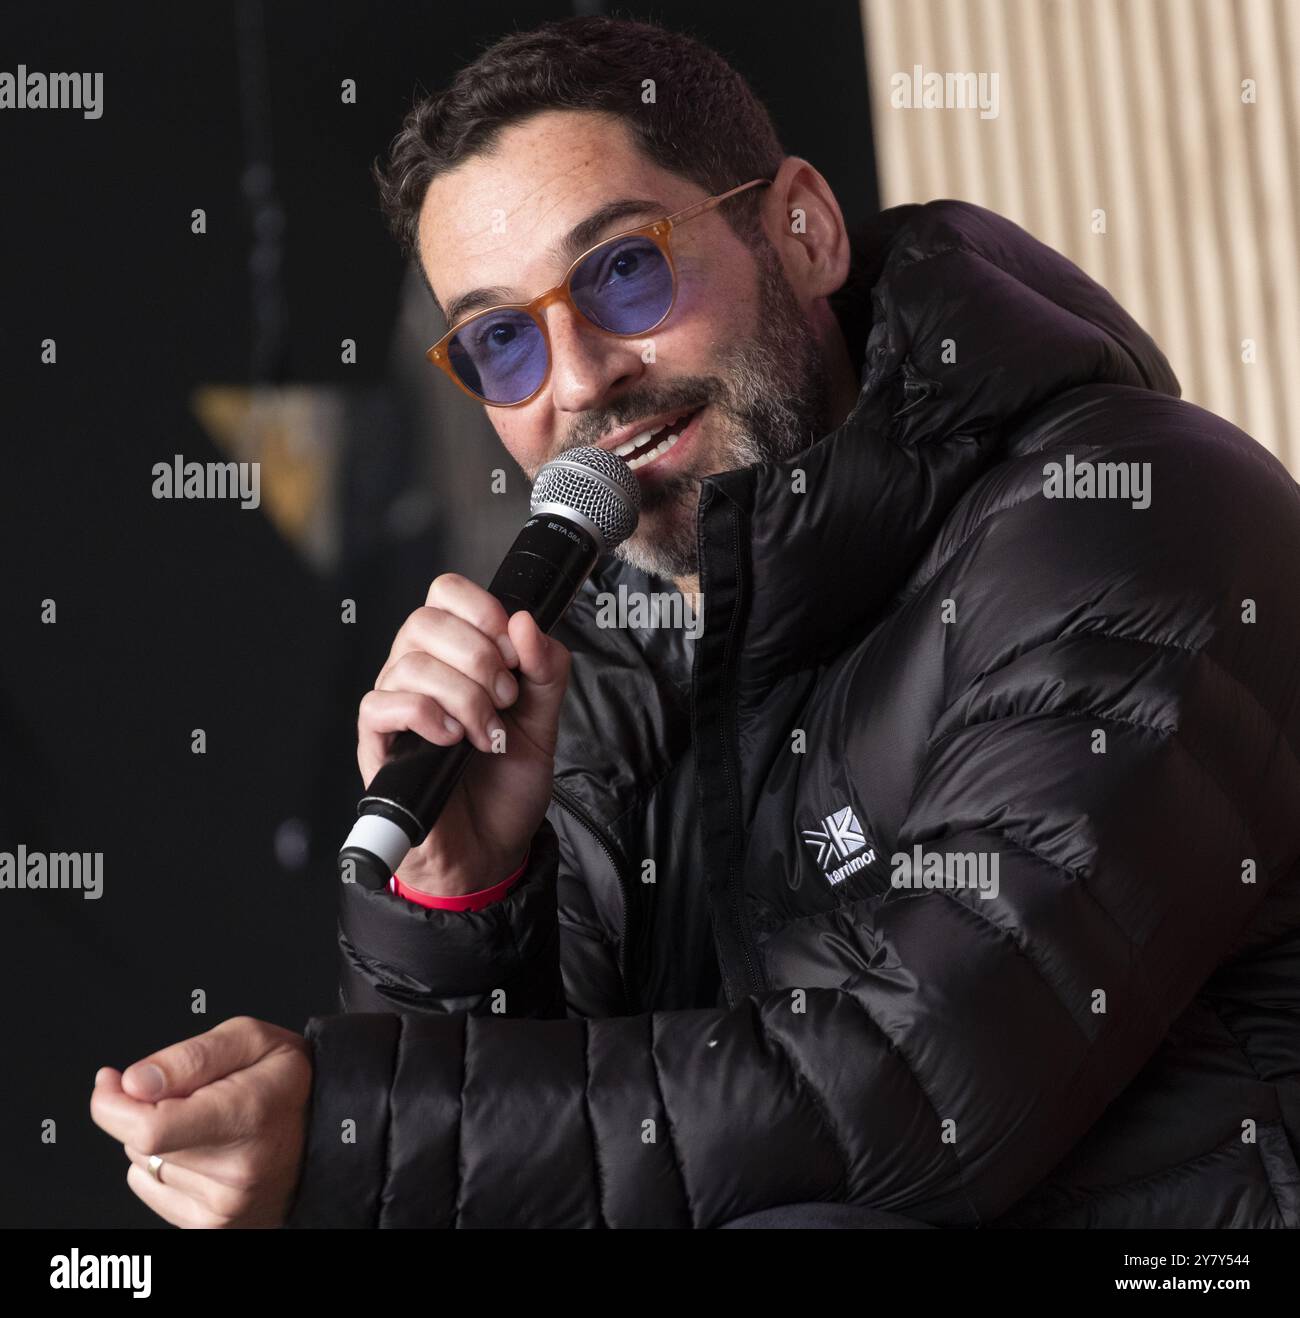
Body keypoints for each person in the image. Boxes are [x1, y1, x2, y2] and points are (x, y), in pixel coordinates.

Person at [90, 15, 1300, 1230]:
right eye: (503, 340)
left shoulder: (1122, 518)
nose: (577, 380)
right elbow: (549, 1169)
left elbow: (917, 1090)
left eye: (623, 270)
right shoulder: (599, 651)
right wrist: (464, 897)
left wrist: (359, 1131)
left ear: (803, 230)